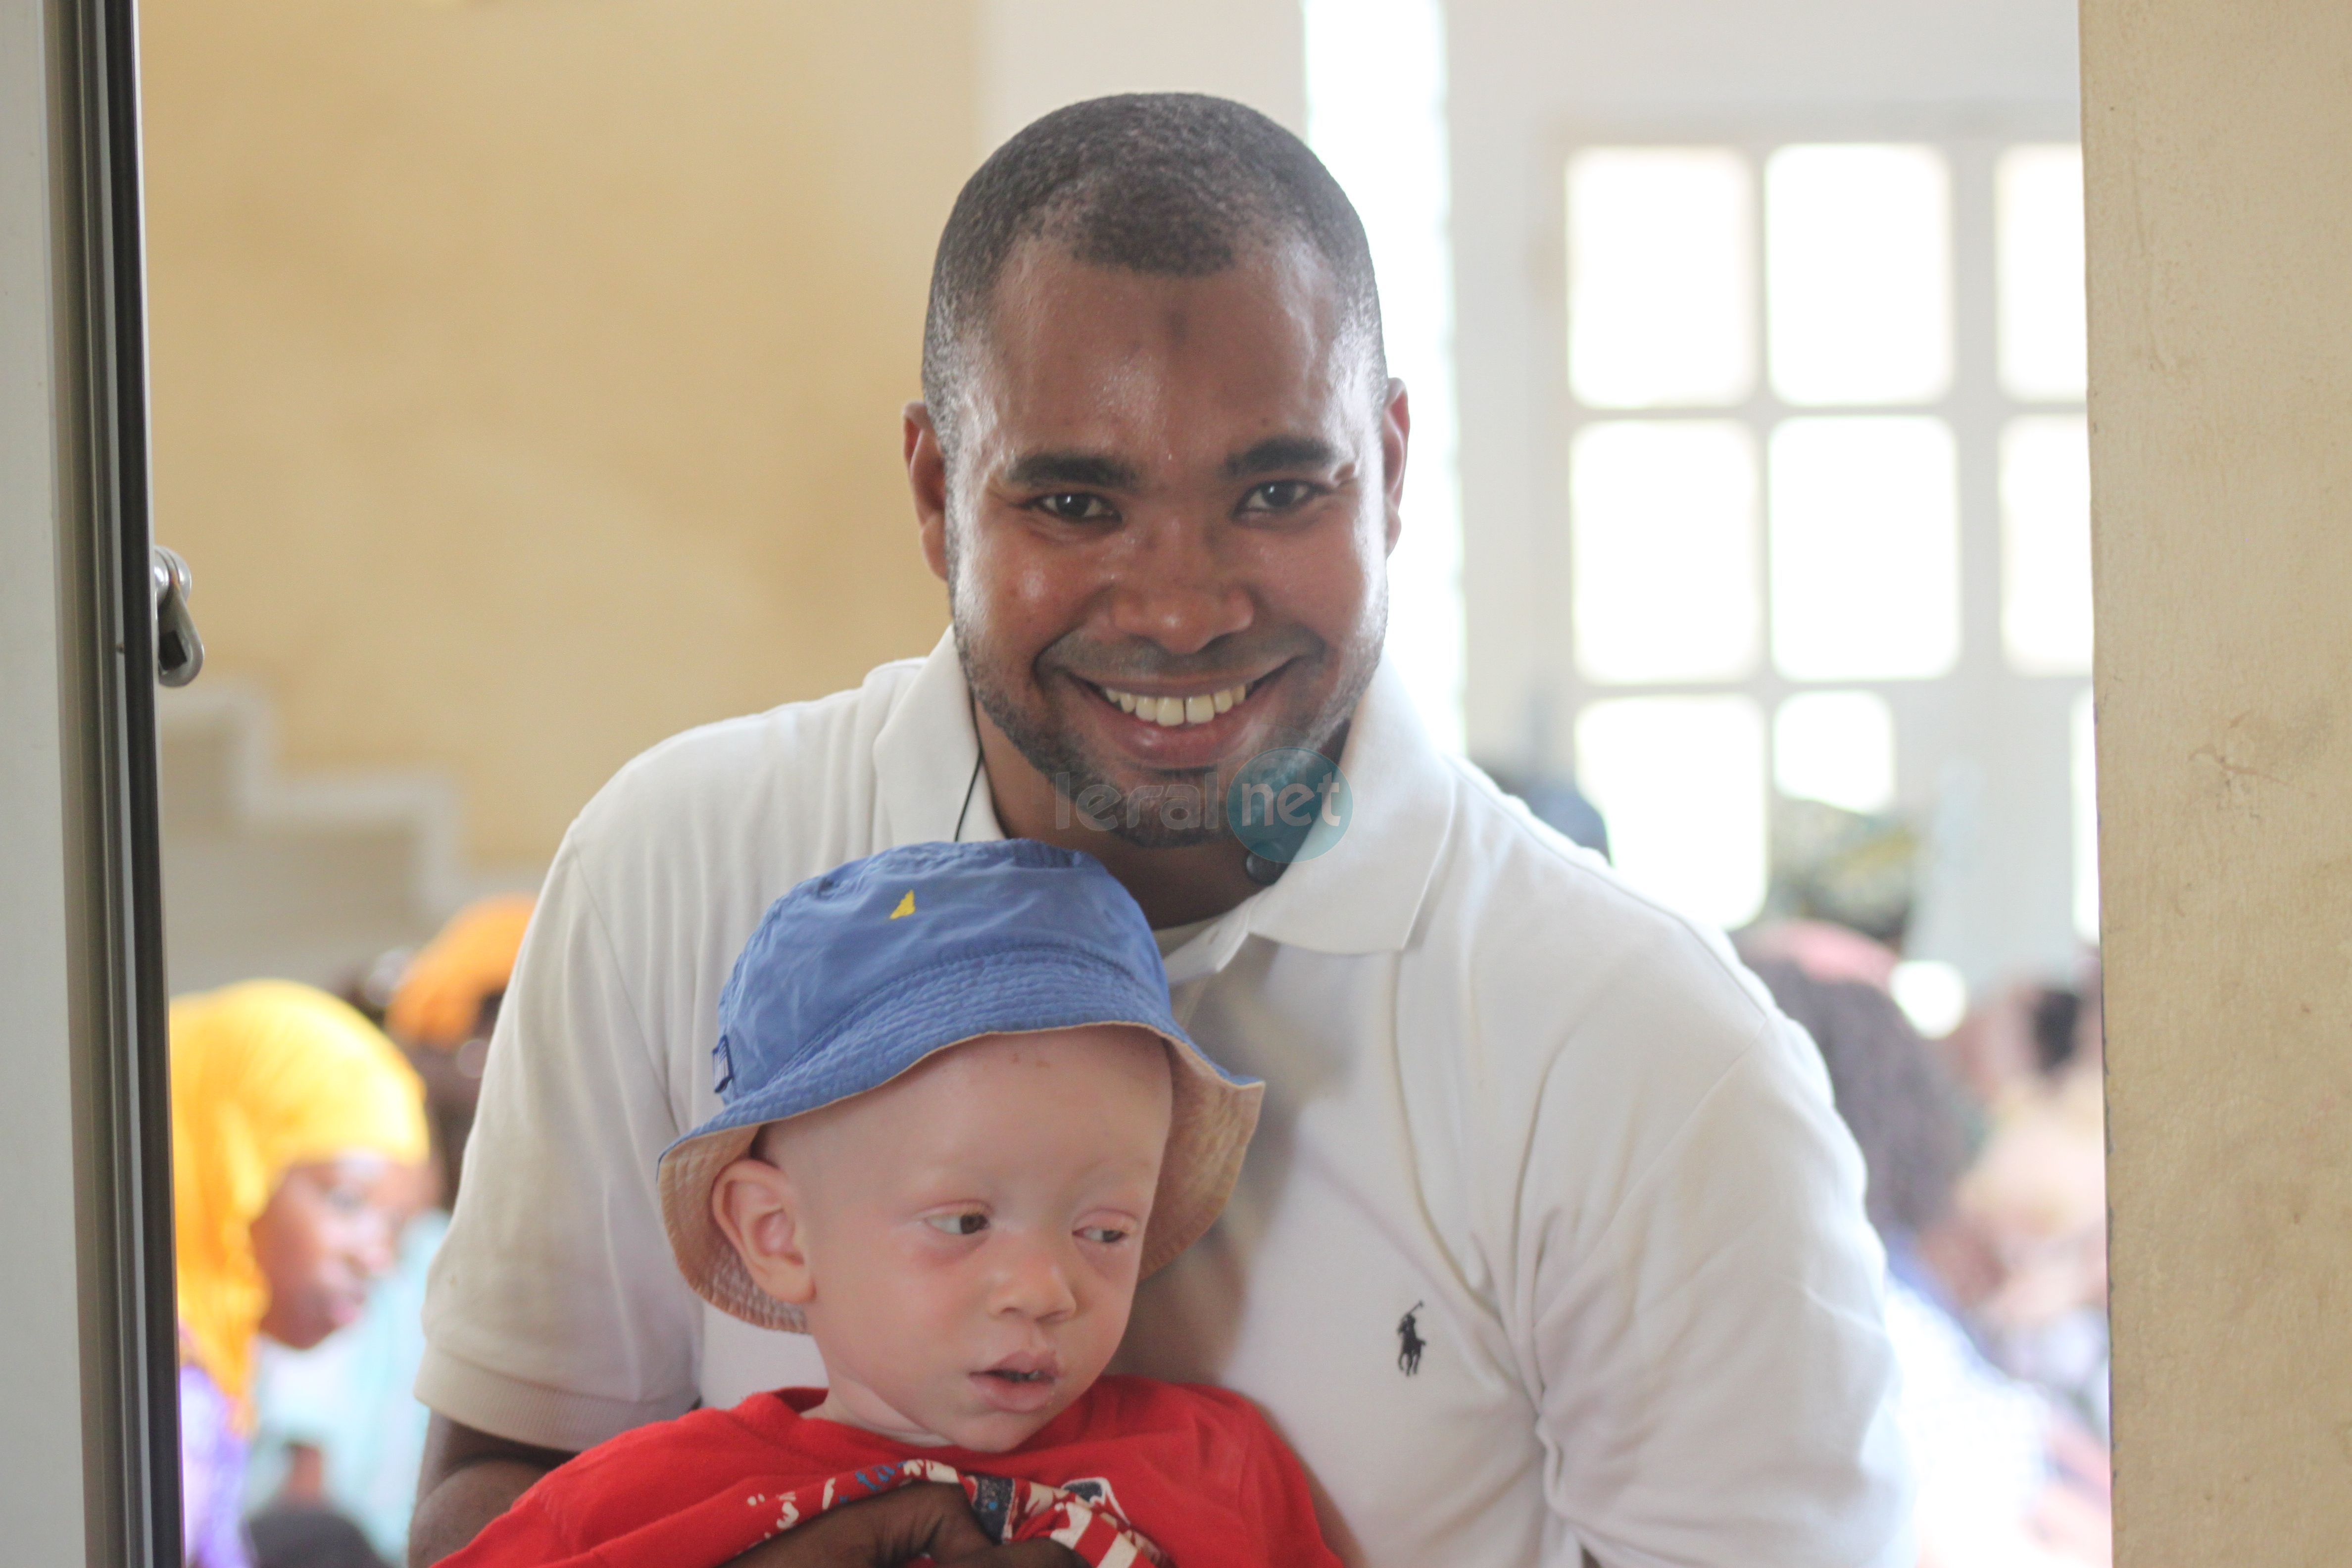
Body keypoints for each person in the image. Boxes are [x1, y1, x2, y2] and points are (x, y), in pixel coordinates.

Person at [413, 93, 1909, 1568]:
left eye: (1276, 490)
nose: (1183, 606)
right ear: (940, 496)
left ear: (1388, 472)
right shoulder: (678, 868)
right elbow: (511, 1476)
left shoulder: (1647, 1055)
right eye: (1076, 500)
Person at [442, 840, 1341, 1568]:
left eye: (1103, 1230)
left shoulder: (1211, 1460)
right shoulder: (631, 1503)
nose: (1043, 1289)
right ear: (777, 1232)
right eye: (964, 1222)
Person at [171, 980, 432, 1568]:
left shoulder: (211, 1379)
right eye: (345, 1201)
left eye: (392, 1225)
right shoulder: (142, 1394)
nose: (376, 1258)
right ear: (226, 1163)